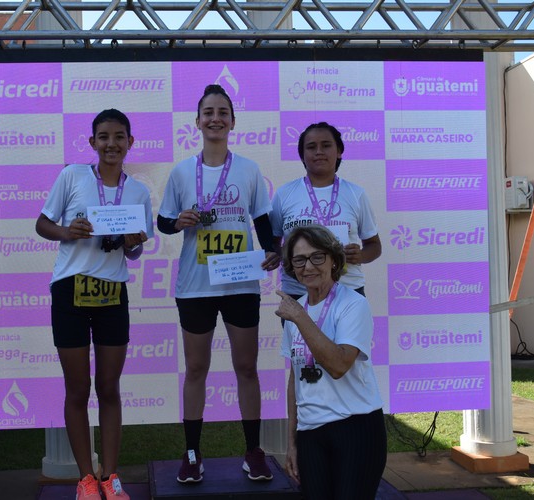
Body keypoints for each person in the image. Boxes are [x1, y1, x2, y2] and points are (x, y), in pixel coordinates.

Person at [157, 84, 281, 483]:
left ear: (232, 121)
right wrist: (179, 223)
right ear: (197, 122)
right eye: (208, 111)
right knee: (196, 368)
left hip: (240, 282)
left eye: (223, 112)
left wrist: (273, 250)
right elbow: (163, 221)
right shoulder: (180, 171)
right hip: (195, 286)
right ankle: (192, 453)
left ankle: (253, 451)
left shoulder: (247, 169)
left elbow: (262, 219)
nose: (215, 118)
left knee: (247, 366)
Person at [36, 109, 153, 500]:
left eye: (119, 137)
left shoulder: (137, 192)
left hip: (111, 293)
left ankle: (111, 477)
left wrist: (133, 243)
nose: (111, 144)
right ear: (92, 143)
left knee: (109, 387)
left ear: (130, 143)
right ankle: (86, 479)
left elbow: (133, 253)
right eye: (103, 137)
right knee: (77, 388)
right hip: (70, 291)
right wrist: (68, 231)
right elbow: (42, 224)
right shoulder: (72, 176)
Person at [275, 225, 386, 500]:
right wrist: (291, 443)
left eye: (317, 257)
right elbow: (295, 379)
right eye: (299, 259)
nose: (308, 266)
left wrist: (300, 317)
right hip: (311, 432)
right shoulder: (297, 308)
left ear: (334, 260)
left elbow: (338, 365)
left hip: (356, 428)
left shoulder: (352, 304)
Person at [270, 121, 381, 298]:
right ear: (302, 155)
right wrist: (282, 254)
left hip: (347, 291)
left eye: (326, 145)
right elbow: (273, 242)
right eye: (311, 147)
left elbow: (374, 246)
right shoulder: (284, 194)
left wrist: (360, 255)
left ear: (338, 152)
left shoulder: (356, 194)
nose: (319, 151)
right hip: (299, 292)